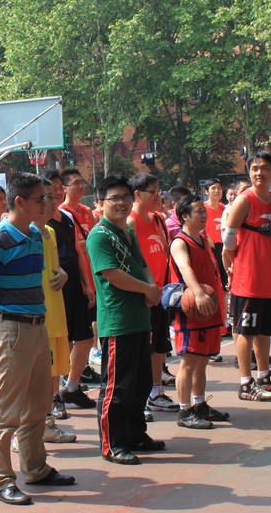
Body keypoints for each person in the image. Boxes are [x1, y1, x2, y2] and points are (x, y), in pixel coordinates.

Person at [0, 173, 76, 505]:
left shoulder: (35, 234)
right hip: (11, 329)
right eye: (40, 199)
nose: (46, 203)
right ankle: (1, 479)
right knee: (6, 410)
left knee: (37, 405)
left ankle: (35, 468)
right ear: (20, 202)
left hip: (36, 326)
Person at [86, 175, 165, 465]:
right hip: (117, 321)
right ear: (100, 203)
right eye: (114, 198)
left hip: (139, 318)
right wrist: (147, 289)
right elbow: (112, 274)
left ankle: (135, 434)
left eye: (124, 197)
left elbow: (142, 265)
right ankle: (113, 444)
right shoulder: (99, 235)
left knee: (141, 383)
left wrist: (151, 287)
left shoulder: (127, 231)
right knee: (117, 387)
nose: (121, 202)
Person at [223, 151, 271, 402]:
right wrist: (234, 266)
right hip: (248, 280)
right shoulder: (245, 200)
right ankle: (245, 383)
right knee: (246, 331)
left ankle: (264, 375)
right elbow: (228, 240)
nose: (259, 173)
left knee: (264, 330)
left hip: (269, 277)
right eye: (254, 168)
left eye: (264, 168)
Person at [168, 194, 228, 429]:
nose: (204, 215)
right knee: (189, 361)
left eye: (204, 211)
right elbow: (184, 268)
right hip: (191, 310)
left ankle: (199, 404)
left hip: (208, 309)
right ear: (185, 216)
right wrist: (199, 293)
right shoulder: (179, 242)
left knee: (202, 360)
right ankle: (184, 411)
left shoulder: (204, 238)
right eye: (199, 211)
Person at [42, 170, 93, 419]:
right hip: (55, 288)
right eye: (53, 188)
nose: (58, 191)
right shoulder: (39, 223)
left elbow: (77, 251)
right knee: (60, 344)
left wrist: (87, 284)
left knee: (85, 339)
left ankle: (71, 387)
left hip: (74, 285)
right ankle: (53, 397)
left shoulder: (68, 217)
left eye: (60, 187)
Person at [32, 179, 77, 444]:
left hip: (56, 312)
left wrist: (63, 273)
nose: (52, 200)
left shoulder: (50, 230)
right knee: (36, 379)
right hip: (38, 316)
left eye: (52, 195)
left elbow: (55, 266)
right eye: (46, 196)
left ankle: (47, 423)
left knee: (54, 373)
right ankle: (26, 431)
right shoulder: (25, 232)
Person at [127, 173, 177, 415]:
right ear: (137, 194)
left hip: (160, 293)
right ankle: (138, 396)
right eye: (153, 192)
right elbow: (131, 261)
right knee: (141, 348)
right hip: (143, 294)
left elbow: (165, 254)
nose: (158, 196)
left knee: (159, 345)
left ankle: (156, 391)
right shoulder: (131, 221)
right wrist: (144, 288)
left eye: (159, 191)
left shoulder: (158, 219)